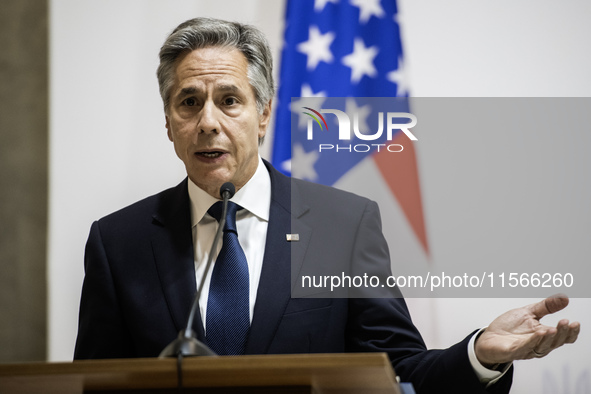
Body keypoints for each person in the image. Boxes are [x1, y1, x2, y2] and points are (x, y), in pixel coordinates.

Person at [74, 17, 580, 393]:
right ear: (168, 123)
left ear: (264, 114)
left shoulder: (343, 225)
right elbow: (96, 383)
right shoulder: (120, 242)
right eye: (189, 102)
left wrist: (478, 354)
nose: (208, 121)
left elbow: (397, 369)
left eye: (230, 100)